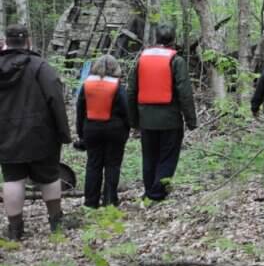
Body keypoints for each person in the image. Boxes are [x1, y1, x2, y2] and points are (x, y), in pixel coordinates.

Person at [0, 24, 72, 240]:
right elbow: (56, 100)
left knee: (13, 179)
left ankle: (15, 230)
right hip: (41, 134)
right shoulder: (40, 66)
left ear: (6, 41)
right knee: (49, 177)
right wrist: (63, 132)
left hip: (5, 135)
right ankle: (56, 223)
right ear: (28, 41)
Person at [127, 24, 196, 202]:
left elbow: (131, 91)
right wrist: (191, 120)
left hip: (146, 120)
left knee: (149, 157)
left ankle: (149, 192)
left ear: (156, 38)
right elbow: (185, 93)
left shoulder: (141, 60)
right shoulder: (177, 61)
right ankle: (157, 194)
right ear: (174, 39)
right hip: (170, 120)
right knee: (167, 157)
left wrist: (133, 120)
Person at [75, 54, 130, 208]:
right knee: (113, 165)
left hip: (91, 129)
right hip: (115, 130)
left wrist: (81, 133)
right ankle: (110, 201)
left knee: (93, 165)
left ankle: (91, 202)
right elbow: (126, 110)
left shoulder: (87, 85)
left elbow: (80, 110)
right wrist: (128, 127)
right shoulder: (118, 86)